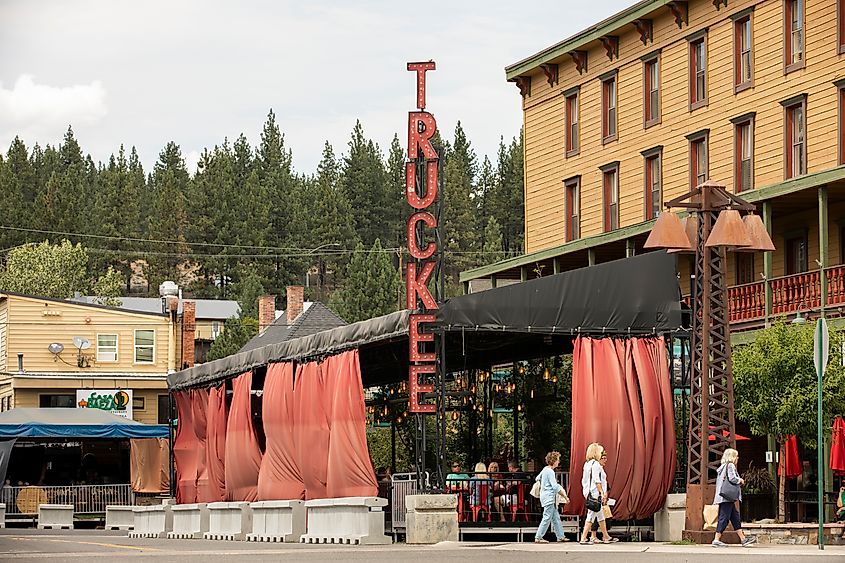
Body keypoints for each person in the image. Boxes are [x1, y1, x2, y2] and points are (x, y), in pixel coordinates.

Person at [712, 448, 757, 547]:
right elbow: (732, 478)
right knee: (724, 518)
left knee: (735, 518)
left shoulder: (722, 466)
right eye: (736, 456)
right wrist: (740, 480)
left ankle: (743, 539)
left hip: (724, 496)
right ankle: (716, 539)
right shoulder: (730, 465)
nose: (738, 458)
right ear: (732, 457)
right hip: (727, 497)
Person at [579, 443, 617, 544]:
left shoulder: (587, 464)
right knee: (591, 515)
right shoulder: (596, 464)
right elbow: (597, 480)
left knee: (600, 515)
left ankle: (606, 536)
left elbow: (584, 480)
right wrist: (602, 492)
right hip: (595, 492)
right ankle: (583, 537)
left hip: (589, 492)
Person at [534, 451, 569, 543]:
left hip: (545, 497)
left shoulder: (545, 469)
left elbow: (537, 478)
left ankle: (560, 536)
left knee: (555, 517)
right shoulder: (550, 472)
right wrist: (565, 496)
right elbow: (555, 486)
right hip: (549, 497)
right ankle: (538, 537)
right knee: (547, 517)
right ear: (554, 461)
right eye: (557, 460)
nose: (558, 462)